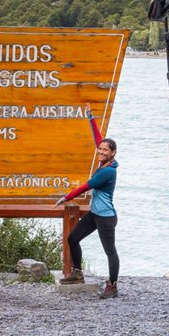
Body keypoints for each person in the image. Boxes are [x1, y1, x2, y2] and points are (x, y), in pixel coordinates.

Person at [55, 117, 120, 299]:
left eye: (104, 150)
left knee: (110, 251)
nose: (100, 151)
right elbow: (97, 138)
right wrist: (91, 118)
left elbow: (86, 186)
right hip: (95, 214)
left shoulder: (108, 171)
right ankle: (77, 273)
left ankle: (113, 286)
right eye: (100, 149)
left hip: (106, 217)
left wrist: (66, 197)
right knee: (73, 238)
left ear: (113, 153)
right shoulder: (104, 162)